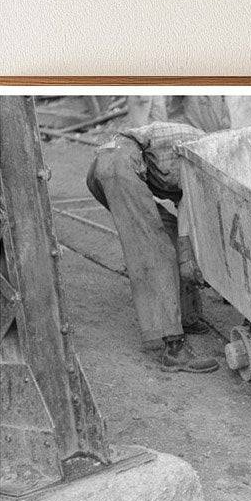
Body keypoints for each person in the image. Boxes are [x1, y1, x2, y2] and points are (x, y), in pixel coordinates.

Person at [86, 96, 231, 373]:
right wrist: (189, 260)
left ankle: (186, 317)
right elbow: (189, 203)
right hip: (117, 163)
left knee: (173, 233)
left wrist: (189, 248)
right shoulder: (205, 152)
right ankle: (174, 348)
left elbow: (186, 212)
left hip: (116, 164)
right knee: (155, 249)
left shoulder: (205, 152)